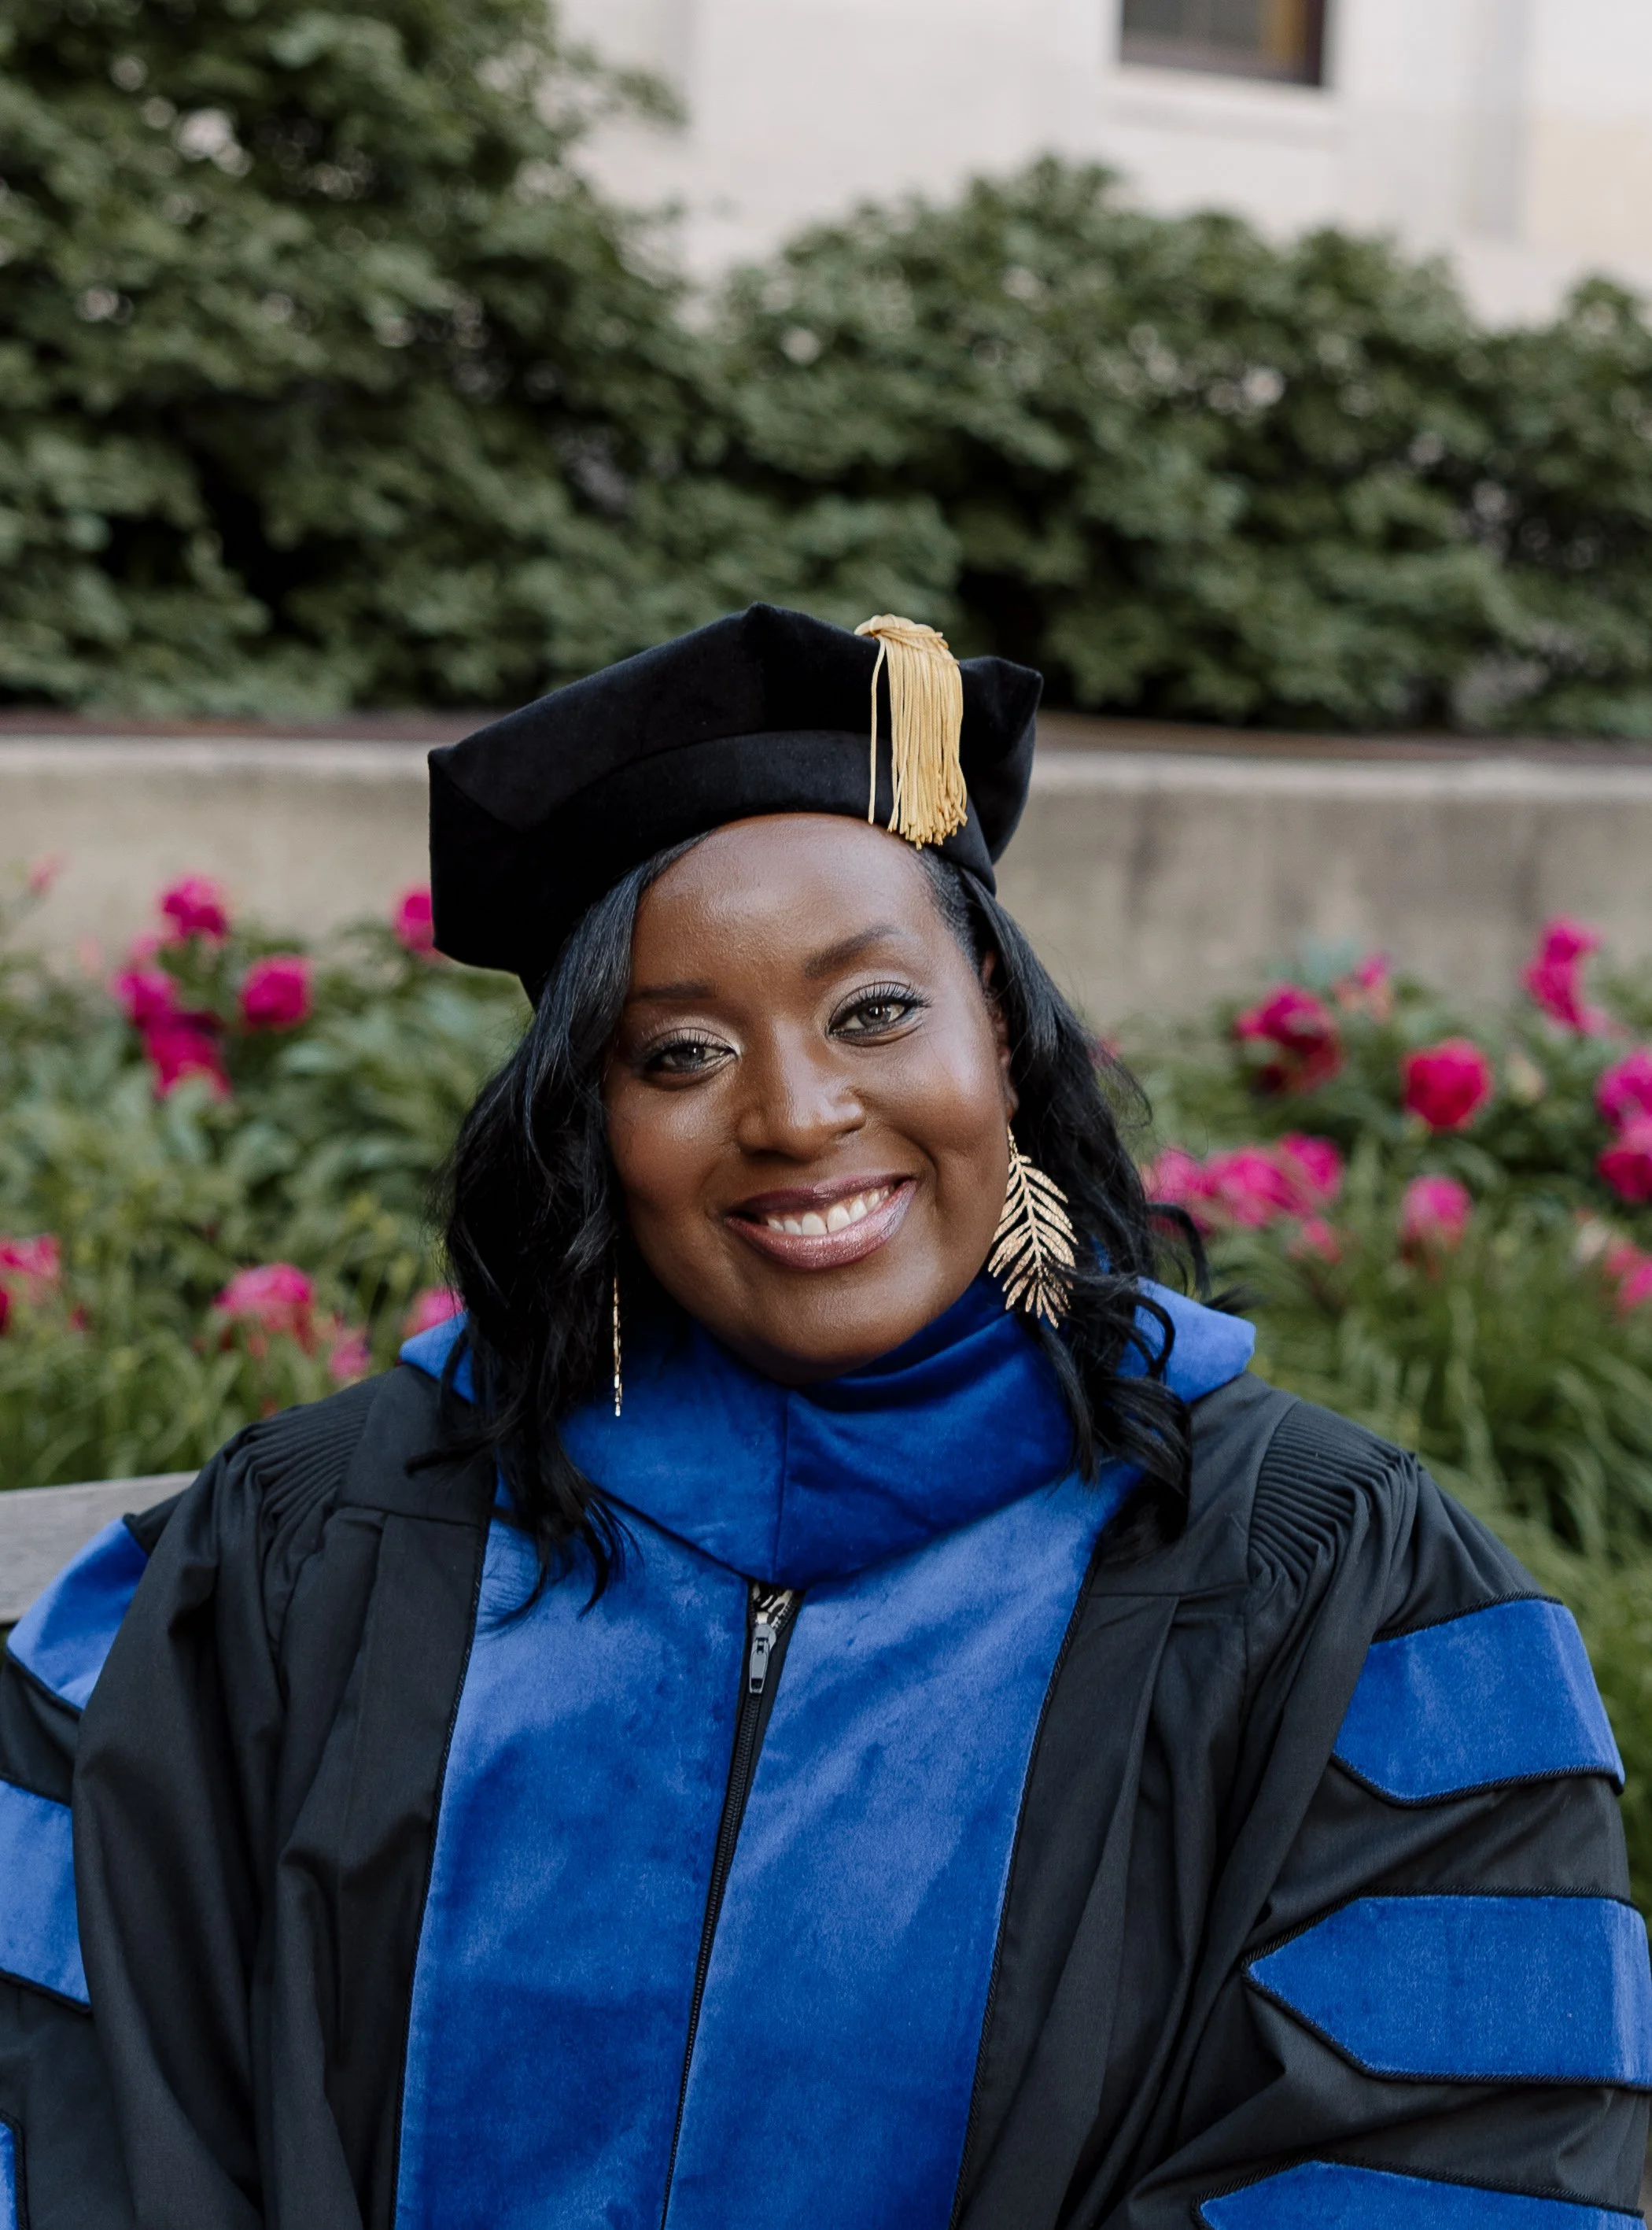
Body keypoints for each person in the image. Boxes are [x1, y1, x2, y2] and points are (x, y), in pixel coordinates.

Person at [0, 604, 1646, 2230]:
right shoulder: (322, 1543)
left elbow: (1455, 2158)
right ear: (593, 1116)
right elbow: (73, 2089)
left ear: (997, 1017)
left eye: (875, 1011)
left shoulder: (1324, 1580)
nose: (795, 1113)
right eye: (680, 1053)